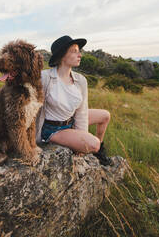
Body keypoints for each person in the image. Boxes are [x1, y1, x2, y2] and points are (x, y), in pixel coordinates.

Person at [35, 35, 113, 166]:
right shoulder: (45, 77)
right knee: (93, 144)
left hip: (71, 120)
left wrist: (81, 138)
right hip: (53, 129)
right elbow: (27, 102)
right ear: (62, 56)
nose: (80, 55)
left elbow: (82, 111)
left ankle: (98, 153)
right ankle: (95, 146)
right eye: (74, 51)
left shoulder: (81, 80)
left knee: (105, 115)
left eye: (79, 51)